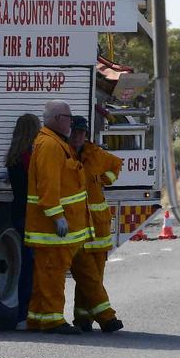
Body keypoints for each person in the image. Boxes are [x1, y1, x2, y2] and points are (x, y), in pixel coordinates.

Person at [24, 100, 90, 334]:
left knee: (45, 274)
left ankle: (37, 318)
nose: (72, 123)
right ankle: (52, 320)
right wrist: (57, 217)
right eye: (69, 118)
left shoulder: (54, 143)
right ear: (56, 119)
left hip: (50, 229)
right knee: (53, 275)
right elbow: (48, 186)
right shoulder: (51, 146)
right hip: (52, 230)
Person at [68, 116, 125, 333]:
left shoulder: (96, 154)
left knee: (94, 276)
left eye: (81, 133)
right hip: (79, 227)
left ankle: (83, 318)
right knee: (88, 276)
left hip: (98, 228)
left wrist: (106, 178)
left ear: (86, 135)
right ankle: (107, 318)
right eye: (74, 132)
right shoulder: (64, 153)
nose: (77, 136)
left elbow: (116, 164)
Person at [5, 113, 41, 329]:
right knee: (32, 266)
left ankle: (23, 315)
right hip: (31, 214)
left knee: (27, 264)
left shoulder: (13, 156)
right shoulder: (30, 157)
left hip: (18, 211)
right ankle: (26, 314)